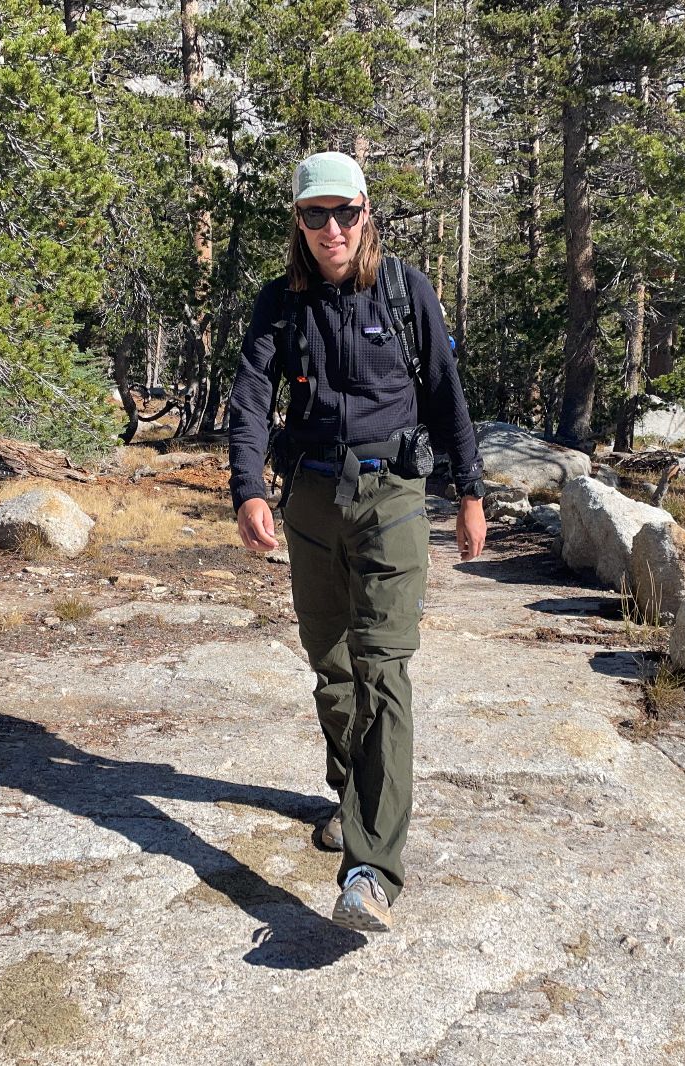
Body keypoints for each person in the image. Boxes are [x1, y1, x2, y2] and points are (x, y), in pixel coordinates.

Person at [227, 151, 487, 932]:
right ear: (298, 222)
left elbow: (446, 392)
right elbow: (248, 400)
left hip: (394, 500)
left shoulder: (406, 292)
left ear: (366, 213)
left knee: (383, 671)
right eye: (315, 215)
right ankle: (352, 794)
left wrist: (471, 493)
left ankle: (371, 869)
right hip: (309, 498)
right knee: (333, 670)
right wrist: (246, 487)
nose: (331, 229)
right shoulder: (280, 303)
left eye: (344, 213)